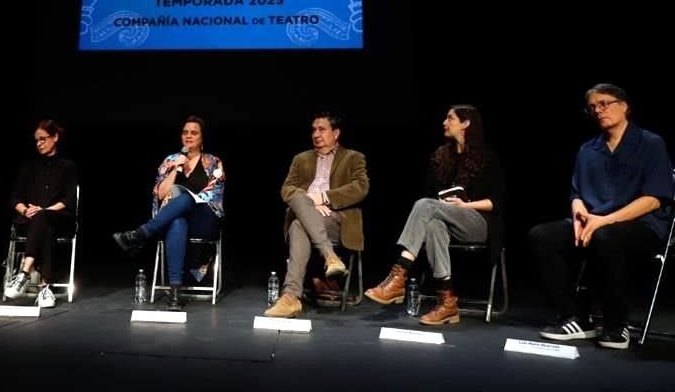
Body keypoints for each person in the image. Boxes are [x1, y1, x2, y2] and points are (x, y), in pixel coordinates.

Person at [529, 83, 673, 349]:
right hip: (594, 223)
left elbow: (654, 198)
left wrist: (602, 221)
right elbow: (576, 193)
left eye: (605, 103)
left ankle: (616, 326)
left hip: (640, 226)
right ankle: (575, 318)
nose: (598, 110)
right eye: (593, 107)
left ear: (625, 106)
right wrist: (579, 212)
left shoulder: (651, 143)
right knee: (542, 236)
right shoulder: (588, 150)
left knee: (605, 237)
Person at [364, 105, 504, 324]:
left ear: (466, 123)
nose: (444, 122)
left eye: (450, 118)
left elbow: (497, 202)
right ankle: (447, 301)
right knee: (432, 225)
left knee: (425, 206)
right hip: (446, 221)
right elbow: (427, 196)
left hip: (478, 222)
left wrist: (464, 206)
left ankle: (399, 274)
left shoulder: (487, 156)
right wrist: (442, 204)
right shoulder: (441, 156)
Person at [113, 116, 225, 310]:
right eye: (185, 132)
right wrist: (176, 169)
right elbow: (161, 194)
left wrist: (189, 197)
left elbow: (213, 196)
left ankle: (141, 234)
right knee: (177, 221)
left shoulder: (213, 162)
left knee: (187, 199)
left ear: (202, 138)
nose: (188, 136)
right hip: (174, 220)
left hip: (204, 220)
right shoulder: (170, 161)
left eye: (194, 132)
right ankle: (175, 294)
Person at [264, 112, 369, 318]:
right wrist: (309, 202)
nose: (316, 134)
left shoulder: (354, 157)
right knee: (298, 217)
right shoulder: (301, 159)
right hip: (307, 216)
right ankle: (329, 258)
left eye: (322, 129)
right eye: (313, 129)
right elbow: (287, 189)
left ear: (336, 133)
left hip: (338, 219)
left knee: (298, 220)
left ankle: (291, 297)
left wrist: (323, 197)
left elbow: (361, 187)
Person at [3, 120, 78, 307]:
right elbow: (15, 198)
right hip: (29, 220)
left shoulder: (67, 167)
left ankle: (23, 273)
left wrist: (45, 210)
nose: (39, 144)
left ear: (55, 137)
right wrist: (26, 210)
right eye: (36, 140)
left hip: (59, 218)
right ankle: (45, 289)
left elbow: (69, 200)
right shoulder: (29, 167)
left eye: (43, 139)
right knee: (44, 226)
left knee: (45, 219)